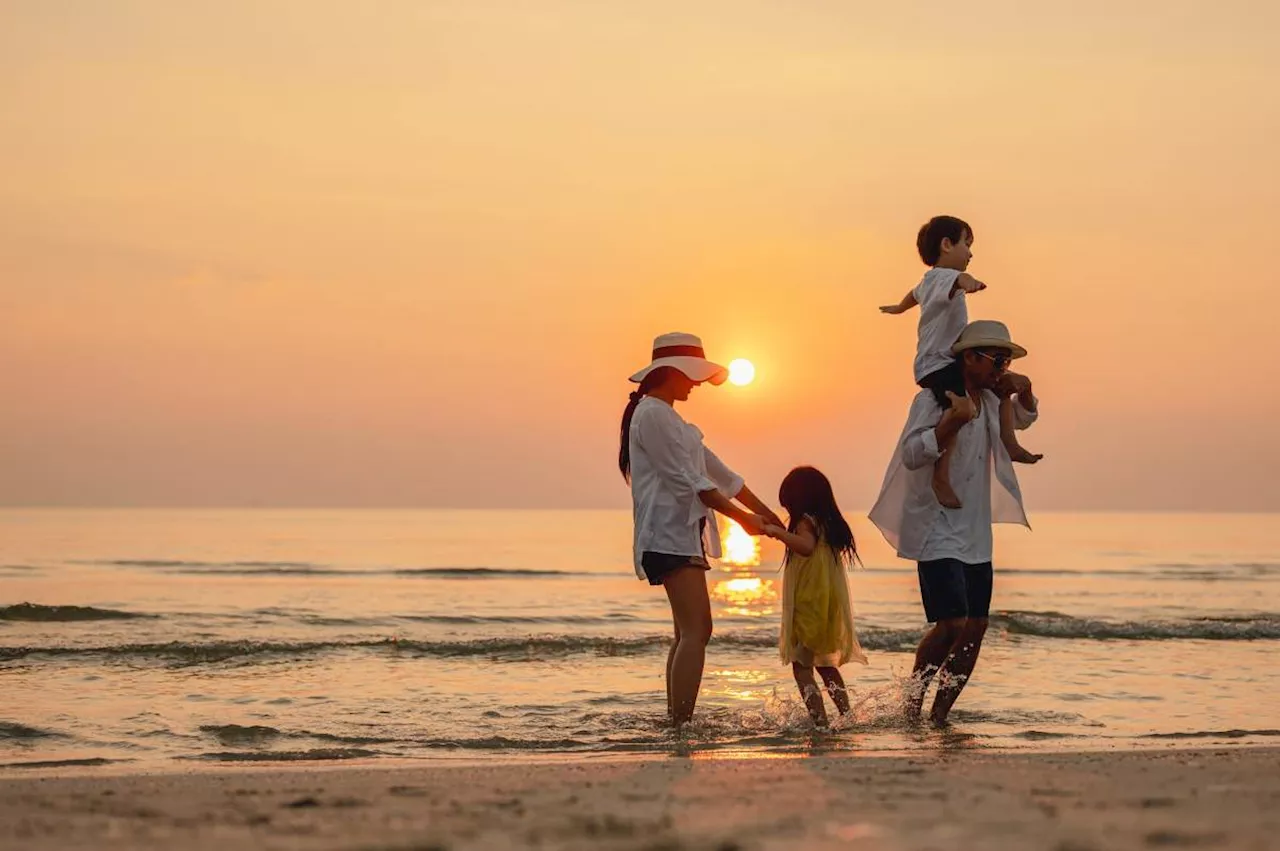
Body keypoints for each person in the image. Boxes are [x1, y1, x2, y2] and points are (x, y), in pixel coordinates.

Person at [868, 320, 1040, 726]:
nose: (1003, 367)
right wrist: (951, 422)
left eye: (1007, 359)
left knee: (976, 626)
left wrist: (1026, 389)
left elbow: (1023, 418)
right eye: (997, 359)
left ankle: (940, 716)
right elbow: (912, 454)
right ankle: (912, 705)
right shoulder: (934, 400)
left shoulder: (990, 400)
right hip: (936, 526)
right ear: (970, 357)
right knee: (951, 624)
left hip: (976, 532)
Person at [620, 332, 782, 726]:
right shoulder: (653, 414)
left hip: (681, 534)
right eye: (691, 375)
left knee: (687, 633)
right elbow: (689, 481)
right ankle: (681, 724)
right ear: (671, 372)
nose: (696, 383)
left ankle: (676, 721)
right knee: (698, 631)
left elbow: (721, 474)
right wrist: (744, 521)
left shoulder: (671, 419)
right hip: (667, 536)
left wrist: (770, 515)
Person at [880, 215, 1042, 508]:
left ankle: (1010, 443)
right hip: (937, 365)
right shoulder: (943, 278)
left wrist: (899, 308)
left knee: (1002, 389)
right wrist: (971, 283)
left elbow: (912, 296)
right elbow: (960, 279)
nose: (970, 252)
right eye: (966, 244)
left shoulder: (927, 284)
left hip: (945, 362)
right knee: (958, 411)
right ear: (946, 245)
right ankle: (941, 475)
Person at [762, 466, 867, 727]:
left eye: (789, 505)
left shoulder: (805, 522)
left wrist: (778, 533)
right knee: (826, 666)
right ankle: (846, 716)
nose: (788, 512)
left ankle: (819, 721)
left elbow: (806, 548)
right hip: (826, 604)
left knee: (801, 666)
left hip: (808, 604)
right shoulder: (828, 525)